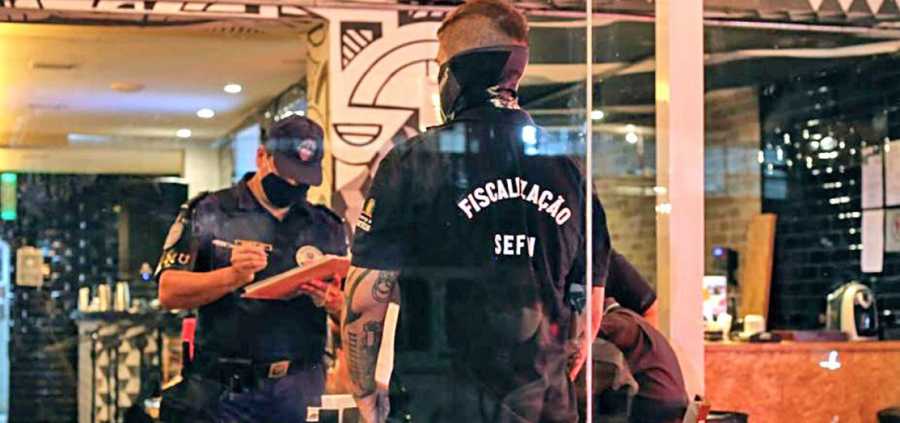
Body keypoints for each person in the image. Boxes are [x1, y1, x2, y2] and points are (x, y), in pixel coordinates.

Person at [341, 1, 612, 422]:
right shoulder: (568, 169)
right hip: (542, 407)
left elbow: (366, 296)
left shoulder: (416, 161)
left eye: (439, 66)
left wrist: (363, 394)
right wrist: (551, 377)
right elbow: (588, 307)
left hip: (440, 408)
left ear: (454, 72)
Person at [155, 115, 347, 423]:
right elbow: (168, 292)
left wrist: (336, 306)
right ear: (261, 157)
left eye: (303, 178)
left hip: (300, 390)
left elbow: (352, 314)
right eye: (287, 173)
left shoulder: (326, 226)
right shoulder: (209, 211)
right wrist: (230, 277)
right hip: (225, 394)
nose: (293, 184)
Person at [597, 298, 688, 423]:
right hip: (672, 400)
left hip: (655, 398)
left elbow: (592, 330)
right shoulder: (637, 321)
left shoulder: (623, 321)